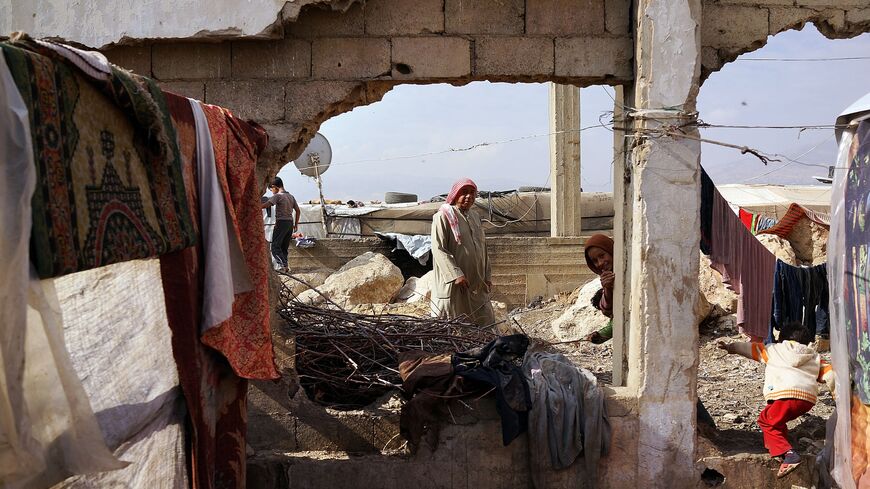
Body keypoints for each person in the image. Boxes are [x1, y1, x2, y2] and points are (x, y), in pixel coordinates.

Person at [718, 321, 835, 478]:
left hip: (784, 395)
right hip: (806, 400)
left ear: (782, 338)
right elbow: (830, 374)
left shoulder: (773, 349)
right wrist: (837, 394)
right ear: (807, 342)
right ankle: (777, 446)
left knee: (766, 420)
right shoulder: (814, 356)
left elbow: (750, 348)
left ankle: (789, 455)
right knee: (776, 420)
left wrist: (730, 347)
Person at [430, 178, 495, 327]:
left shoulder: (475, 217)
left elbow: (482, 248)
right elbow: (438, 248)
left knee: (485, 321)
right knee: (455, 324)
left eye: (472, 193)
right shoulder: (443, 216)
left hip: (477, 282)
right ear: (455, 194)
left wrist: (487, 275)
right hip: (455, 284)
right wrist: (455, 274)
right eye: (464, 192)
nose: (468, 196)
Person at [261, 177, 300, 273]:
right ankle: (286, 267)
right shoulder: (291, 196)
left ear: (274, 186)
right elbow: (298, 210)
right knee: (284, 248)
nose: (272, 192)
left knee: (274, 247)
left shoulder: (278, 196)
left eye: (271, 190)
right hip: (290, 223)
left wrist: (255, 206)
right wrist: (296, 224)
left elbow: (267, 205)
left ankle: (283, 265)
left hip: (281, 223)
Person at [583, 234, 615, 344]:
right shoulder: (608, 280)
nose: (600, 263)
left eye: (602, 255)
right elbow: (612, 315)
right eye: (595, 261)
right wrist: (608, 288)